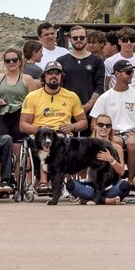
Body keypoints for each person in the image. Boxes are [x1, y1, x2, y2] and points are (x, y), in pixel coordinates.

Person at [20, 61, 88, 193]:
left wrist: (72, 126)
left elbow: (83, 122)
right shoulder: (33, 96)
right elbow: (23, 125)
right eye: (50, 73)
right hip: (40, 133)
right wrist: (38, 129)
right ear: (44, 76)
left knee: (59, 142)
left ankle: (57, 181)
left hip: (62, 134)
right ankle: (44, 181)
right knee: (46, 141)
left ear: (61, 77)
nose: (53, 76)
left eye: (57, 73)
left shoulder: (71, 96)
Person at [90, 59, 135, 180]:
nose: (132, 75)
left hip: (133, 134)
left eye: (132, 72)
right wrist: (106, 131)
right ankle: (116, 178)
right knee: (116, 141)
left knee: (132, 142)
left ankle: (131, 180)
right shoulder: (105, 97)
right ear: (118, 74)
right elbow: (93, 123)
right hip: (113, 133)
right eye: (128, 72)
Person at [64, 113, 130, 205]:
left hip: (110, 186)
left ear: (111, 128)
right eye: (101, 124)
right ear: (95, 126)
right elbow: (80, 173)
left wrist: (110, 159)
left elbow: (121, 172)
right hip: (91, 186)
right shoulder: (86, 144)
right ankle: (106, 200)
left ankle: (92, 199)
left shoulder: (117, 147)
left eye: (108, 125)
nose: (104, 127)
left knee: (125, 186)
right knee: (71, 185)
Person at [0, 48, 39, 149]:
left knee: (17, 146)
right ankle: (5, 165)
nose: (11, 62)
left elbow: (34, 100)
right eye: (8, 61)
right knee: (3, 144)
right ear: (5, 63)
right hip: (3, 115)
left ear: (20, 61)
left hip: (20, 115)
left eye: (14, 60)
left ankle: (17, 165)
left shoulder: (27, 79)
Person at [59, 25, 105, 120]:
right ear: (70, 39)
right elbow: (58, 87)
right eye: (75, 38)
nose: (78, 40)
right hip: (66, 112)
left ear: (86, 39)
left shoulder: (97, 61)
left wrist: (88, 105)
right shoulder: (61, 61)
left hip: (90, 112)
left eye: (82, 37)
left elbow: (100, 87)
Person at [103, 27, 135, 91]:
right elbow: (105, 86)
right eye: (125, 40)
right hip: (116, 98)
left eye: (132, 40)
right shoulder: (109, 62)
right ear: (119, 42)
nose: (129, 43)